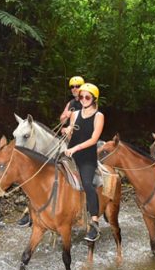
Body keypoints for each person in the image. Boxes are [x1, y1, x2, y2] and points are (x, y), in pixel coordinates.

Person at [17, 75, 85, 227]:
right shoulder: (71, 103)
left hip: (82, 140)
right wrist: (65, 118)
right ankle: (31, 210)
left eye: (77, 86)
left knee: (78, 166)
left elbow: (87, 121)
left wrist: (71, 128)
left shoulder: (87, 100)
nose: (74, 89)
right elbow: (62, 118)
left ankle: (81, 201)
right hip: (67, 139)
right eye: (72, 87)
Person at [64, 83, 104, 242]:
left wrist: (76, 148)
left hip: (87, 157)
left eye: (87, 97)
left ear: (94, 98)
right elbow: (71, 134)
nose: (83, 99)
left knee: (87, 184)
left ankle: (94, 222)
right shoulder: (75, 114)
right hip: (70, 153)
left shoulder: (99, 116)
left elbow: (94, 139)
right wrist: (68, 131)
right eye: (81, 97)